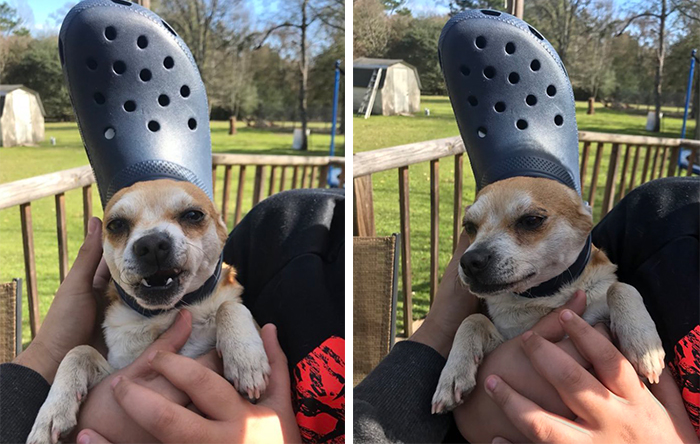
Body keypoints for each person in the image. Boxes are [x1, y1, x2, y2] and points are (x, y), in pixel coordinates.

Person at [354, 177, 699, 443]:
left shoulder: (615, 283)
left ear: (583, 221)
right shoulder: (654, 218)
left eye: (530, 222)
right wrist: (457, 332)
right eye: (473, 228)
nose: (475, 252)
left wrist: (625, 300)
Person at [0, 189, 345, 444]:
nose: (151, 242)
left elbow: (230, 299)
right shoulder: (104, 329)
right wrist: (57, 355)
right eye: (120, 225)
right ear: (102, 249)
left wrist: (233, 318)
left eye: (190, 217)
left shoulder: (237, 299)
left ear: (221, 233)